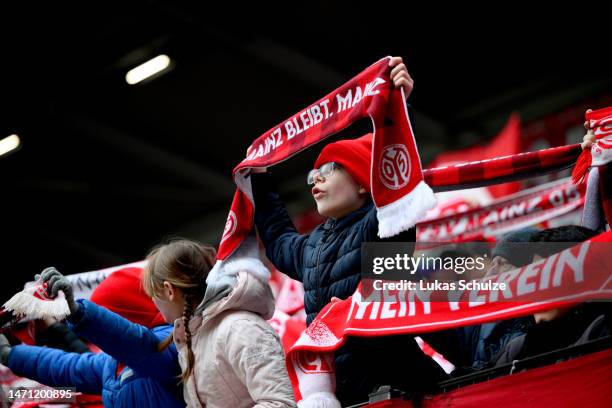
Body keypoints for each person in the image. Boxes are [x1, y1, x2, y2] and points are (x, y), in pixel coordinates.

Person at [250, 57, 448, 406]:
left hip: (397, 388)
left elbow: (399, 179)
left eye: (329, 169)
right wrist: (259, 179)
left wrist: (399, 109)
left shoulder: (385, 223)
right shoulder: (311, 246)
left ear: (361, 183)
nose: (317, 179)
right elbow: (279, 238)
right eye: (313, 175)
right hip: (343, 395)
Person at [0, 266, 184, 408]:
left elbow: (136, 343)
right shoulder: (112, 365)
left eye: (105, 312)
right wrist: (10, 354)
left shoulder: (176, 344)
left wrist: (78, 313)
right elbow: (66, 366)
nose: (95, 336)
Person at [142, 239, 296, 408]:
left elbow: (281, 403)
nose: (153, 302)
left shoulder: (240, 328)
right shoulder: (194, 338)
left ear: (169, 290)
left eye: (153, 295)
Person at [494, 226, 610, 366]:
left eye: (549, 277)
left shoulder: (602, 332)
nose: (537, 289)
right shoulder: (518, 348)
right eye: (533, 278)